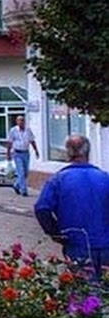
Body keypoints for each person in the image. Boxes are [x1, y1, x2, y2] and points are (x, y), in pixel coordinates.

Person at [34, 134, 109, 280]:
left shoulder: (58, 180)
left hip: (76, 244)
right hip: (106, 244)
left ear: (68, 154)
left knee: (83, 294)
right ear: (88, 152)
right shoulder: (105, 177)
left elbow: (42, 208)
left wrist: (55, 233)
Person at [6, 115, 39, 196]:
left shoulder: (28, 130)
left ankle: (17, 185)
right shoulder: (13, 130)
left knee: (25, 173)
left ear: (24, 122)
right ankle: (23, 190)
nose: (20, 122)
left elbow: (32, 141)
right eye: (19, 120)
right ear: (16, 122)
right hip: (17, 153)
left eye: (22, 120)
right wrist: (8, 153)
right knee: (21, 171)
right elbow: (9, 142)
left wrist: (36, 150)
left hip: (26, 153)